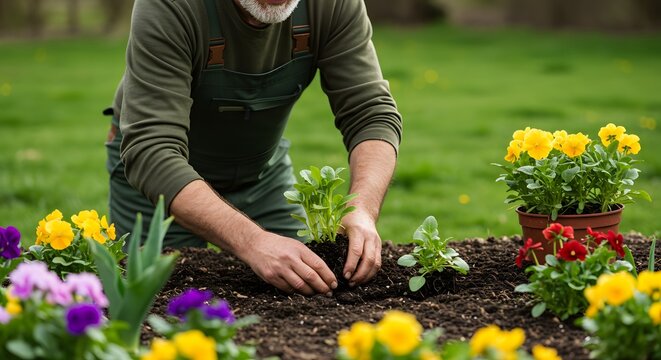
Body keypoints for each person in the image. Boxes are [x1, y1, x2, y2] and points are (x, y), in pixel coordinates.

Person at [105, 0, 402, 297]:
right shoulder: (169, 6)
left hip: (262, 176)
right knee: (153, 304)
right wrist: (252, 241)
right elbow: (152, 149)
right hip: (157, 185)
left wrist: (361, 208)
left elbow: (371, 113)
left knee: (308, 283)